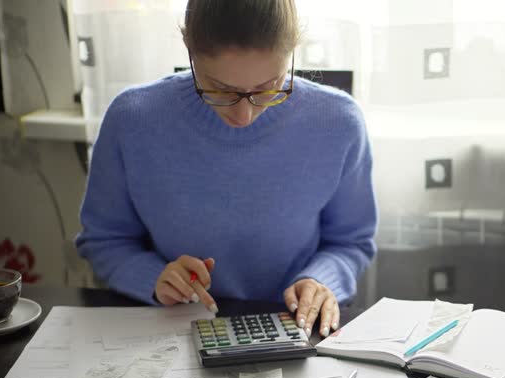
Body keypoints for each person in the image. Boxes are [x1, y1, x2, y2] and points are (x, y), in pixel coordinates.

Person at [76, 0, 376, 338]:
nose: (243, 116)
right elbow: (104, 240)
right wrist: (154, 278)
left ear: (293, 53)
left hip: (293, 330)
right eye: (219, 89)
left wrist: (321, 280)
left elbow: (350, 241)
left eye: (269, 88)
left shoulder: (337, 122)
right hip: (172, 330)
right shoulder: (132, 119)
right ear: (189, 50)